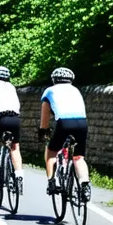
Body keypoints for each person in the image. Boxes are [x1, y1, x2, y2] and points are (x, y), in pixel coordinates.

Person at [39, 67, 90, 202]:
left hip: (64, 123)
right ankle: (84, 184)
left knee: (51, 151)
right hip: (82, 123)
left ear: (54, 80)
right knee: (79, 157)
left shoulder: (50, 91)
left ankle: (52, 182)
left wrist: (43, 130)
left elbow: (45, 114)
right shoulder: (76, 90)